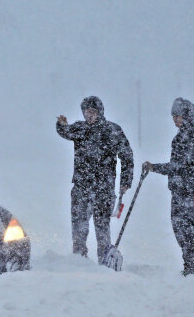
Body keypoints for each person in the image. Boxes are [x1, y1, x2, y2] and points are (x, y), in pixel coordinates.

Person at [56, 96, 134, 263]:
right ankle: (79, 259)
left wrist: (126, 181)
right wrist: (61, 125)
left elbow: (127, 156)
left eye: (92, 111)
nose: (88, 115)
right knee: (79, 226)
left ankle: (104, 261)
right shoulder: (80, 129)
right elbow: (66, 132)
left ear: (100, 112)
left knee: (102, 227)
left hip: (103, 188)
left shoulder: (112, 130)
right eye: (86, 112)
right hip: (81, 187)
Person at [143, 97, 194, 276]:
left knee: (193, 232)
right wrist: (154, 167)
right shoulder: (178, 139)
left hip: (193, 194)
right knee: (180, 230)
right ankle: (189, 263)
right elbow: (176, 166)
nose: (175, 119)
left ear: (187, 116)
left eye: (178, 116)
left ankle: (193, 267)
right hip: (178, 192)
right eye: (173, 116)